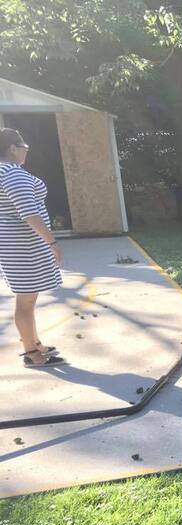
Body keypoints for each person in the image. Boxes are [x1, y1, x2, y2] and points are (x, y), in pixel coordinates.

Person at [0, 127, 67, 367]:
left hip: (18, 246)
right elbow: (29, 213)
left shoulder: (5, 172)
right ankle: (31, 353)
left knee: (27, 300)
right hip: (23, 247)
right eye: (24, 147)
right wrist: (52, 242)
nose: (26, 151)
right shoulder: (11, 173)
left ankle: (35, 343)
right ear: (12, 148)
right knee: (26, 302)